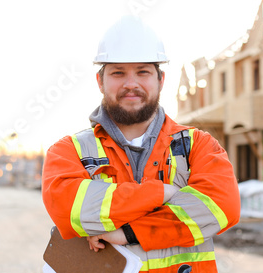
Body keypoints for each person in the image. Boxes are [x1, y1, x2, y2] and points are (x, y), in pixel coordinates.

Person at [42, 15, 240, 273]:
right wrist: (162, 193)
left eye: (143, 71)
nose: (131, 84)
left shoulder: (198, 146)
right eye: (118, 72)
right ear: (100, 81)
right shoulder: (69, 151)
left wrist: (128, 233)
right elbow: (69, 209)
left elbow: (223, 207)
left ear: (161, 80)